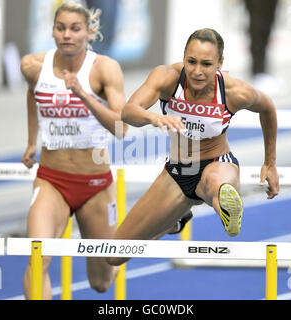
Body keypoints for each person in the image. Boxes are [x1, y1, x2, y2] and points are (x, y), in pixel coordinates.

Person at [107, 28, 279, 267]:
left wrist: (269, 162)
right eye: (192, 61)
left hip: (217, 162)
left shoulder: (234, 91)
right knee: (115, 255)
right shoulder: (167, 77)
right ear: (184, 57)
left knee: (219, 187)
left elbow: (267, 108)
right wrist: (153, 118)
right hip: (177, 172)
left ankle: (225, 207)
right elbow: (128, 112)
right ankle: (176, 220)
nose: (197, 71)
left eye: (207, 64)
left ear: (220, 63)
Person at [20, 1, 127, 299]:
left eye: (75, 28)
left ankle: (139, 238)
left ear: (88, 32)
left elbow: (121, 128)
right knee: (38, 257)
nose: (67, 34)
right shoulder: (33, 65)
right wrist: (32, 140)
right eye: (61, 28)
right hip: (51, 180)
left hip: (95, 185)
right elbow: (34, 94)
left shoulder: (104, 69)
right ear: (53, 31)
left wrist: (82, 93)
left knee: (101, 282)